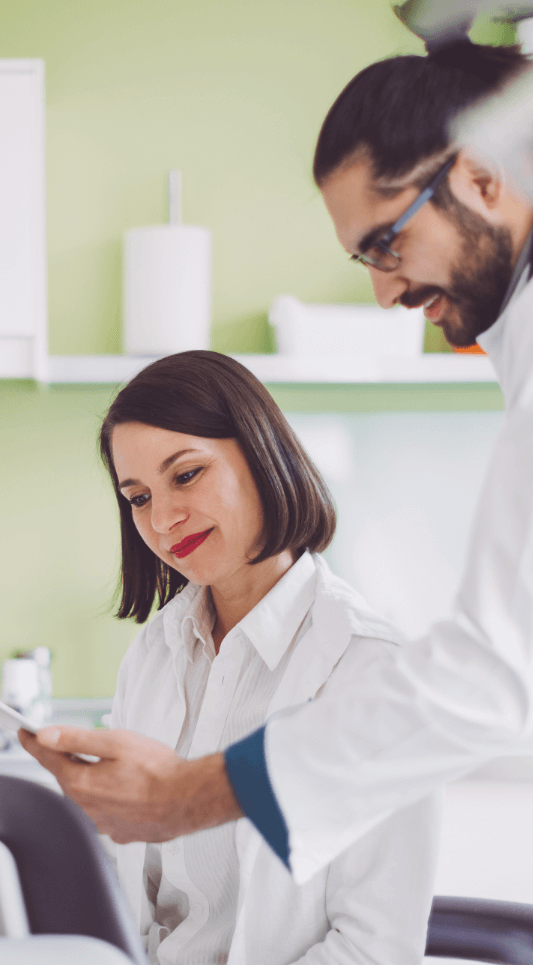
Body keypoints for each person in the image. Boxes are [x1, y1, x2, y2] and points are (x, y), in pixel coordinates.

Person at [21, 33, 533, 885]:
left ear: (482, 176)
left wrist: (185, 794)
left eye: (386, 243)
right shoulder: (154, 657)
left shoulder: (358, 654)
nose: (384, 290)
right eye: (137, 494)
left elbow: (490, 673)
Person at [40, 350, 441, 964]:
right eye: (139, 497)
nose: (164, 518)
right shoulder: (154, 654)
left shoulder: (374, 672)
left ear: (260, 456)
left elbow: (374, 948)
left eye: (186, 475)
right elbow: (136, 900)